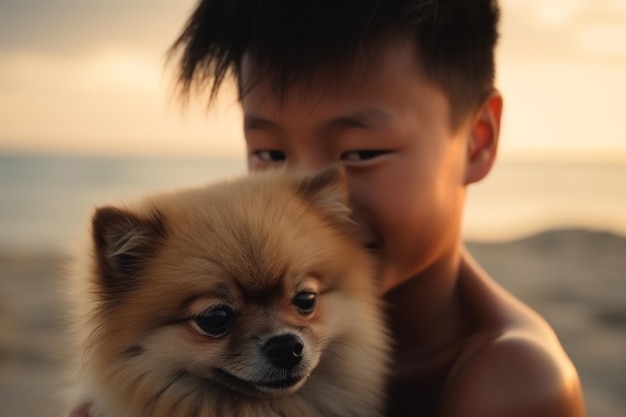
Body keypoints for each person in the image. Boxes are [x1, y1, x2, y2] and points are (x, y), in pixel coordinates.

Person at [71, 1, 586, 416]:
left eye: (362, 153)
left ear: (477, 140)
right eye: (271, 154)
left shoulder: (514, 382)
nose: (307, 190)